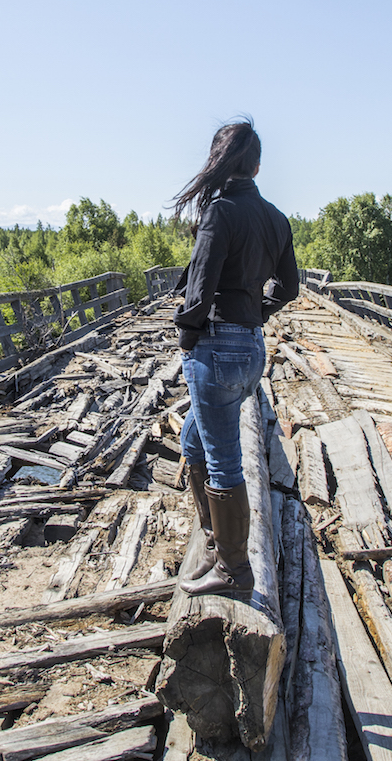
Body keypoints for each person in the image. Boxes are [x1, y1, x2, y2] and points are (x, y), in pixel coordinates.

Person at [171, 120, 298, 596]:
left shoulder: (219, 213)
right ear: (258, 166)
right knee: (193, 443)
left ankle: (235, 572)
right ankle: (213, 537)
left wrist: (188, 339)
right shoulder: (276, 218)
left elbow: (198, 294)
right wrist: (254, 312)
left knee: (224, 461)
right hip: (251, 349)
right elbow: (290, 288)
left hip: (217, 350)